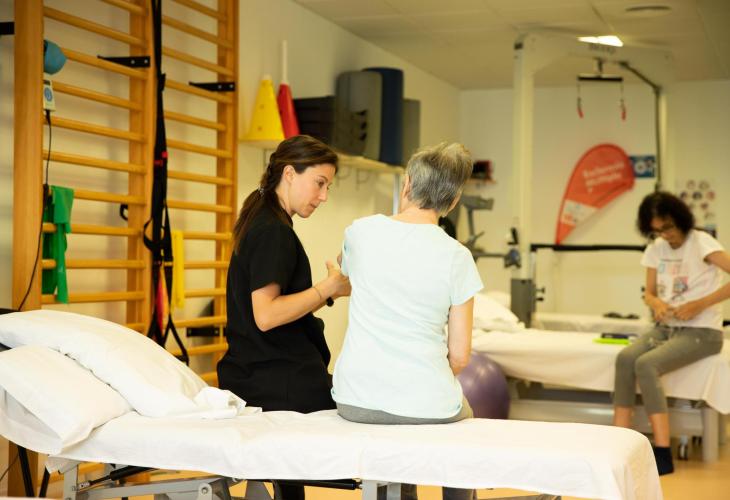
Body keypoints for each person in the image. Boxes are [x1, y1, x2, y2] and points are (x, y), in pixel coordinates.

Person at [332, 143, 483, 500]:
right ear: (453, 201)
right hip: (427, 404)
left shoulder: (360, 232)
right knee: (462, 426)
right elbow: (460, 356)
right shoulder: (457, 256)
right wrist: (418, 381)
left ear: (407, 184)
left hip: (356, 399)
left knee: (400, 430)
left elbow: (343, 268)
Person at [218, 135, 350, 499]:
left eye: (328, 187)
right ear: (289, 174)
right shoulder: (273, 231)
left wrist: (330, 292)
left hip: (262, 372)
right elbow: (266, 315)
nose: (323, 196)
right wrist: (326, 288)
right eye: (319, 183)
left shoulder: (265, 218)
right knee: (371, 408)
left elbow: (278, 307)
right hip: (274, 380)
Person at [613, 191, 730, 475]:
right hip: (666, 327)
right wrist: (657, 304)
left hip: (703, 331)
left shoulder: (701, 242)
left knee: (646, 364)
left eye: (668, 228)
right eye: (657, 231)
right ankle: (616, 445)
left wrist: (699, 305)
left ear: (680, 219)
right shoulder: (656, 249)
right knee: (625, 359)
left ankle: (663, 453)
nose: (665, 235)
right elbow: (649, 293)